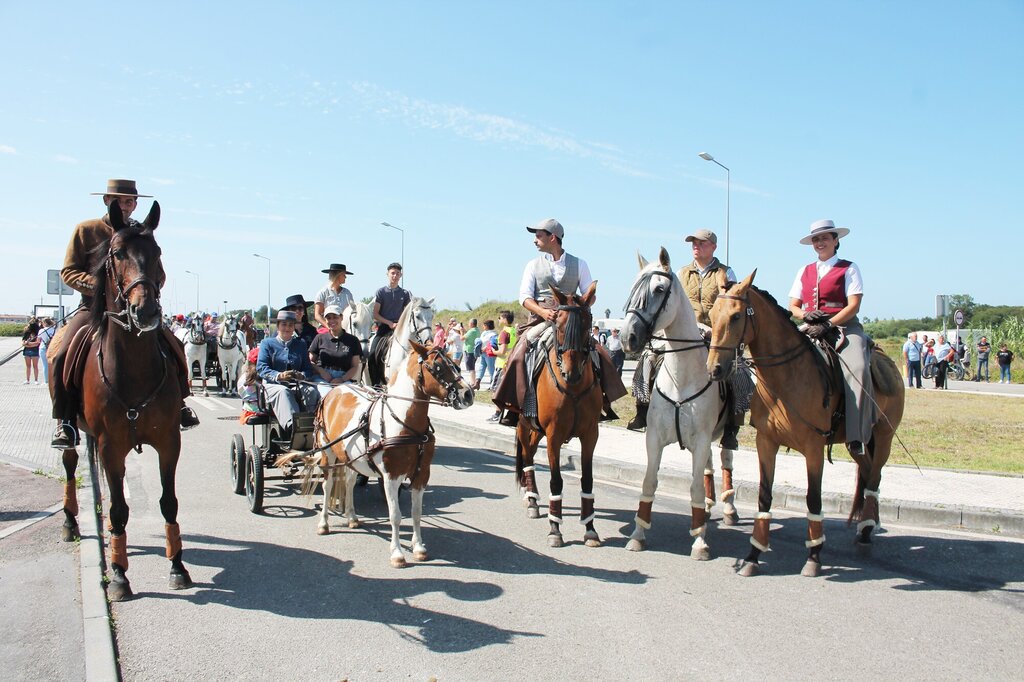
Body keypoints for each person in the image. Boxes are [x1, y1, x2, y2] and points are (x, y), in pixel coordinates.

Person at [49, 179, 199, 449]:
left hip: (135, 306)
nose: (125, 205)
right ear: (107, 201)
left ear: (136, 204)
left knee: (174, 345)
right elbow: (68, 272)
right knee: (62, 354)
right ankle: (65, 421)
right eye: (119, 200)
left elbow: (158, 272)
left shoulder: (142, 233)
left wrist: (146, 288)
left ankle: (181, 405)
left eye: (130, 201)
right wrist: (103, 288)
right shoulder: (86, 229)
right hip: (93, 308)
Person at [492, 218, 626, 424]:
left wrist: (582, 304)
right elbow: (525, 298)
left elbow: (590, 294)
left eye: (539, 236)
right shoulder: (532, 265)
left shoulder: (579, 264)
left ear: (552, 237)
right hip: (541, 319)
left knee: (598, 352)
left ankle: (603, 401)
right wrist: (543, 313)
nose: (535, 240)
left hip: (570, 321)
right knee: (520, 351)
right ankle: (514, 405)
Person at [627, 228, 744, 449]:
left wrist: (712, 329)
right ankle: (642, 409)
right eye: (693, 243)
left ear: (713, 247)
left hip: (713, 335)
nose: (696, 246)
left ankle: (731, 427)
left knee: (737, 370)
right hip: (683, 334)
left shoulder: (726, 273)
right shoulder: (681, 273)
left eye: (701, 243)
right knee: (648, 358)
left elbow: (729, 307)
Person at [788, 219, 872, 457]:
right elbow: (792, 305)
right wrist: (805, 314)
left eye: (825, 237)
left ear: (836, 241)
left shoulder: (849, 268)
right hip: (810, 327)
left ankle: (857, 435)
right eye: (816, 239)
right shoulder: (804, 270)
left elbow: (854, 305)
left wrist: (828, 323)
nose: (820, 242)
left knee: (859, 368)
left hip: (844, 328)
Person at [256, 310, 326, 434]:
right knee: (284, 392)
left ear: (294, 327)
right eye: (284, 324)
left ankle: (313, 427)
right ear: (278, 326)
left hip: (297, 384)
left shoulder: (300, 344)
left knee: (311, 391)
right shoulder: (267, 343)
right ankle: (293, 428)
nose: (287, 328)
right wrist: (279, 376)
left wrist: (301, 375)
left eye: (290, 325)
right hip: (273, 386)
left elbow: (308, 369)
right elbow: (261, 367)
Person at [369, 262, 412, 387]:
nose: (395, 276)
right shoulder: (381, 292)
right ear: (387, 274)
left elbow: (407, 312)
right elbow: (375, 314)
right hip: (383, 328)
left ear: (401, 275)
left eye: (397, 273)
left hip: (401, 329)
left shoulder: (405, 294)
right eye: (392, 273)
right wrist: (389, 323)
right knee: (372, 354)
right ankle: (375, 383)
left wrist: (399, 324)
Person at [308, 304, 363, 396]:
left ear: (341, 317)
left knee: (351, 396)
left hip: (344, 378)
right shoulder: (319, 338)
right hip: (322, 378)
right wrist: (322, 372)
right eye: (328, 318)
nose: (331, 321)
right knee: (327, 395)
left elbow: (355, 366)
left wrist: (342, 379)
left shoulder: (353, 340)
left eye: (335, 317)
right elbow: (310, 362)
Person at [489, 311, 519, 423]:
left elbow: (502, 351)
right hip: (511, 363)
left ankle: (497, 413)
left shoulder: (504, 333)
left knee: (497, 390)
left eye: (500, 318)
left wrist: (492, 350)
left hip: (502, 364)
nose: (498, 320)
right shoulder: (514, 331)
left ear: (505, 320)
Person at [313, 263, 355, 329]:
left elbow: (352, 312)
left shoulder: (347, 293)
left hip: (344, 328)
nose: (345, 277)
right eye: (344, 275)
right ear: (338, 275)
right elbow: (317, 315)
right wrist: (329, 327)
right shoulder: (323, 292)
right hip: (326, 328)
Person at [476, 319, 498, 390]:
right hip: (483, 353)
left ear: (486, 326)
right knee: (481, 367)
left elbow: (492, 344)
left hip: (489, 354)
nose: (483, 326)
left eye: (484, 325)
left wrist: (485, 348)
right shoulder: (484, 333)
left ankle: (493, 385)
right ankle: (477, 382)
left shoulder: (493, 334)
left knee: (491, 369)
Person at [22, 319, 41, 384]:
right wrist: (28, 344)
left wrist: (28, 344)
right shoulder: (26, 333)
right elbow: (23, 343)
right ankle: (27, 380)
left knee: (35, 366)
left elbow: (38, 343)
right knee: (28, 366)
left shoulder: (38, 333)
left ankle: (36, 380)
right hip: (27, 351)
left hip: (35, 350)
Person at [38, 317, 56, 386]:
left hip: (43, 347)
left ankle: (46, 381)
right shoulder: (54, 330)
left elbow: (38, 340)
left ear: (45, 323)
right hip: (52, 348)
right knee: (52, 365)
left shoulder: (41, 331)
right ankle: (53, 380)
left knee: (45, 365)